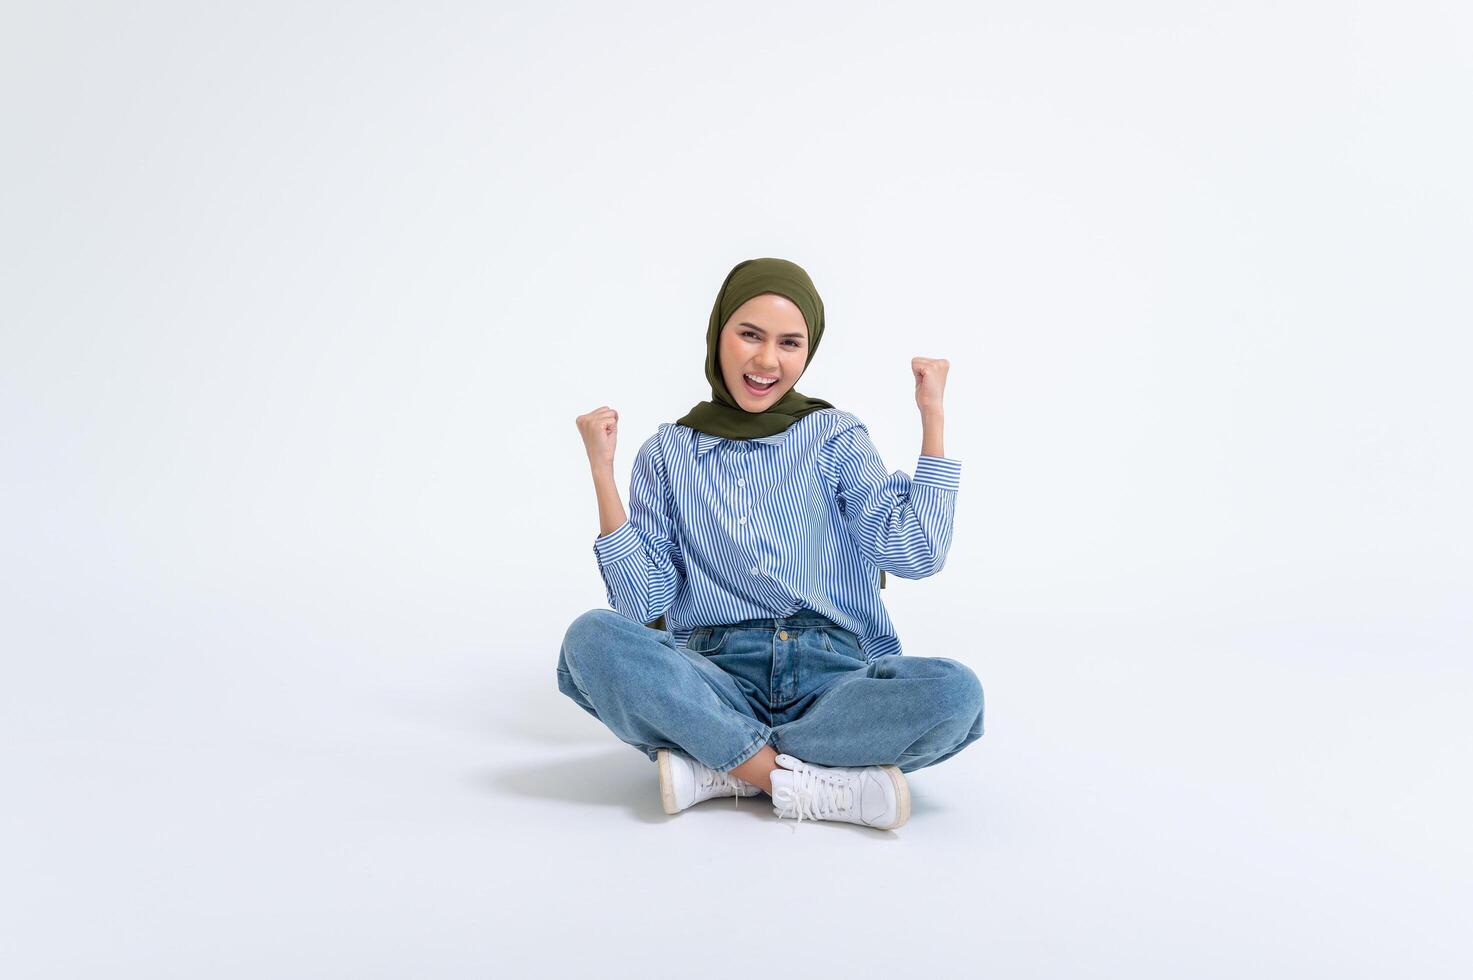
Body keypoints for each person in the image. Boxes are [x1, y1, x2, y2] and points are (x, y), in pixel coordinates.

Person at [557, 257, 984, 831]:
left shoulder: (835, 435)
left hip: (833, 681)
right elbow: (641, 605)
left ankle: (723, 763)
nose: (766, 361)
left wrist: (932, 417)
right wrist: (603, 473)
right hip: (716, 676)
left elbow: (915, 553)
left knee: (955, 694)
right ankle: (799, 781)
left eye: (789, 343)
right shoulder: (667, 453)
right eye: (749, 335)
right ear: (718, 335)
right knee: (590, 640)